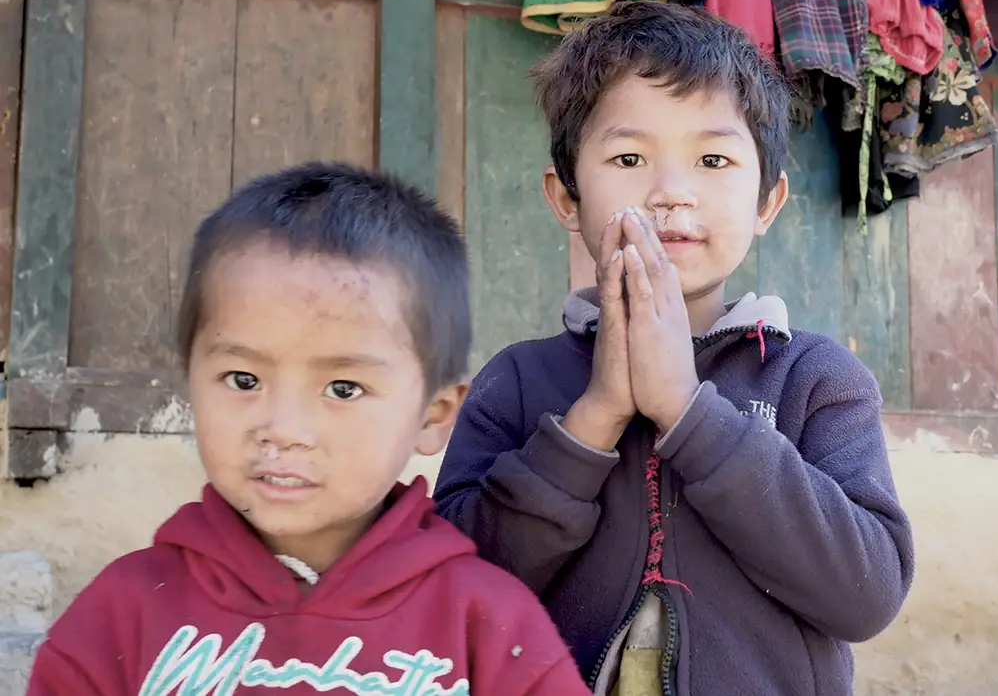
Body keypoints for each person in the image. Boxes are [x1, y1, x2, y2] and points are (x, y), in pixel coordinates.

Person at [433, 1, 915, 696]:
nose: (671, 193)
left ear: (767, 202)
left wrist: (692, 416)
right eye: (629, 157)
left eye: (713, 158)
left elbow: (867, 595)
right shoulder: (515, 383)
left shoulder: (815, 380)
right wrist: (592, 420)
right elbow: (458, 589)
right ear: (566, 198)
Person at [26, 162, 591, 696]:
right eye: (243, 379)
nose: (284, 428)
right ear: (189, 379)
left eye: (342, 389)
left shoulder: (488, 629)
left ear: (433, 414)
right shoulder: (122, 619)